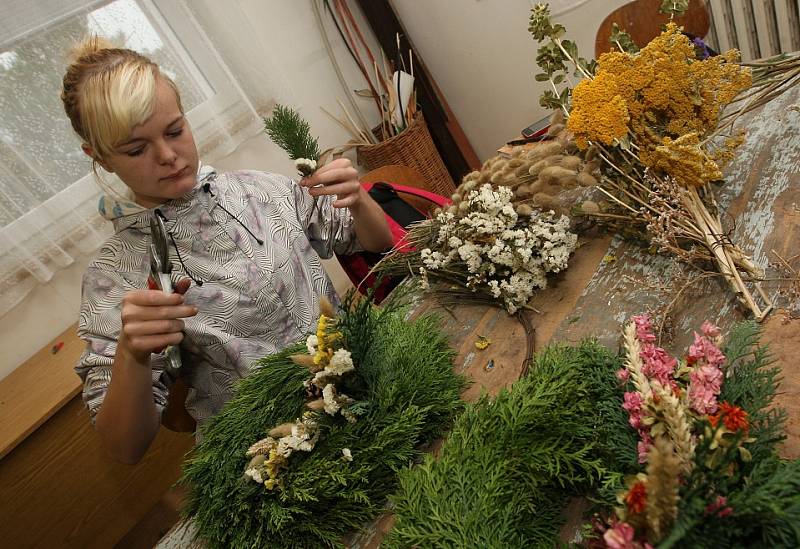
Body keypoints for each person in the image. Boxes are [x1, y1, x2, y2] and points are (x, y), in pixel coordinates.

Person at [61, 37, 393, 464]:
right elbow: (124, 448)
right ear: (101, 157)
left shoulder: (259, 191)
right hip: (273, 453)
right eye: (137, 149)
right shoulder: (118, 274)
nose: (168, 155)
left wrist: (359, 199)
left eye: (175, 130)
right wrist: (131, 352)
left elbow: (377, 243)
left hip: (363, 387)